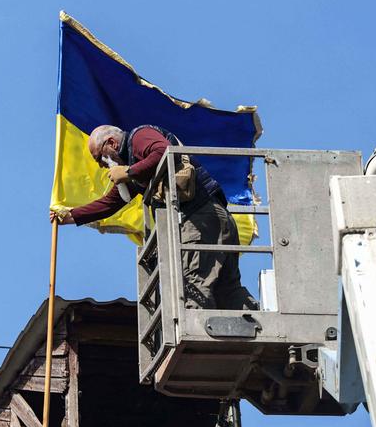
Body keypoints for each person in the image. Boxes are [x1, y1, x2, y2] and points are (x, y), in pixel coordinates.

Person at [50, 124, 257, 311]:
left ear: (111, 143)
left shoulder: (139, 137)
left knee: (193, 286)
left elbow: (163, 151)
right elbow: (112, 203)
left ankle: (199, 347)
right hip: (213, 219)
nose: (102, 166)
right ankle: (255, 330)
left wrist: (129, 171)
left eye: (100, 158)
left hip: (200, 219)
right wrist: (71, 216)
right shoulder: (134, 165)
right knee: (226, 289)